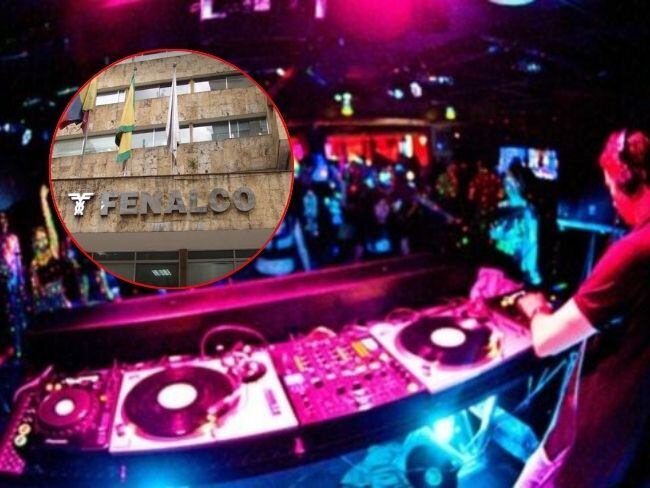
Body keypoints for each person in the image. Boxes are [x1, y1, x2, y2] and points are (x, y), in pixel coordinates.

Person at [514, 129, 650, 487]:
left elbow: (546, 342)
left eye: (610, 187)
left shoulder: (635, 250)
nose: (612, 201)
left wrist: (536, 308)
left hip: (590, 441)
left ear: (627, 179)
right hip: (628, 436)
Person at [30, 185, 71, 314]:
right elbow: (35, 287)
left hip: (59, 301)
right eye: (39, 239)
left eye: (44, 238)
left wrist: (43, 200)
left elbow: (49, 223)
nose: (42, 242)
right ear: (35, 243)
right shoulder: (34, 263)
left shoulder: (53, 251)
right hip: (44, 305)